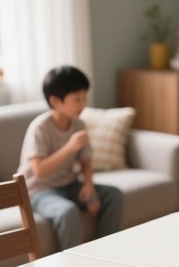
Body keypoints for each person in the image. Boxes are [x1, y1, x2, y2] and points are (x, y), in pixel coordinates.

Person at [17, 65, 123, 249]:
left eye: (84, 97)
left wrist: (89, 186)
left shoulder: (79, 124)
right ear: (56, 101)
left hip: (69, 185)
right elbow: (39, 171)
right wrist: (69, 147)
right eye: (77, 99)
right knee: (68, 212)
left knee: (113, 195)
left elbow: (85, 161)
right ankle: (72, 264)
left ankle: (106, 251)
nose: (83, 104)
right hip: (38, 191)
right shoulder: (40, 128)